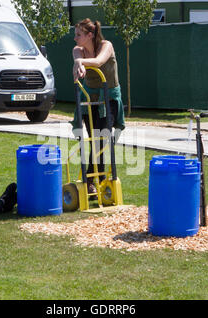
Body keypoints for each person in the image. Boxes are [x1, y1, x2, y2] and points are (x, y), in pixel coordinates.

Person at [71, 18, 125, 195]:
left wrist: (80, 63)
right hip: (90, 98)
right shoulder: (77, 50)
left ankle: (91, 179)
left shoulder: (106, 45)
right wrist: (78, 62)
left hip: (109, 97)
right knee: (96, 139)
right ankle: (97, 181)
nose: (75, 38)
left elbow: (99, 61)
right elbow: (78, 57)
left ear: (90, 35)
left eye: (78, 35)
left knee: (103, 139)